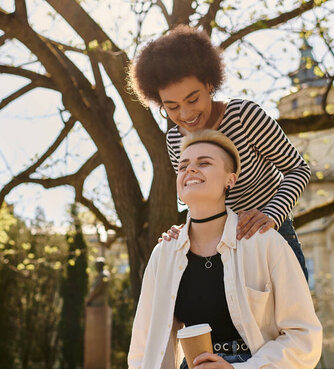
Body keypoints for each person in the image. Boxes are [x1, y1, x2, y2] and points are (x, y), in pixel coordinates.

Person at [123, 130, 322, 369]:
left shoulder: (265, 243)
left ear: (231, 179)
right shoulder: (164, 254)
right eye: (183, 166)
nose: (190, 169)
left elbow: (304, 336)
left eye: (204, 162)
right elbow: (143, 344)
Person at [127, 25, 311, 279]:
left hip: (272, 236)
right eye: (172, 107)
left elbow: (298, 169)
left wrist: (271, 215)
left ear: (209, 84)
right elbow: (196, 200)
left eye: (193, 100)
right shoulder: (174, 139)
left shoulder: (244, 116)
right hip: (218, 250)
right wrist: (184, 231)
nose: (186, 114)